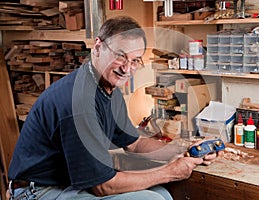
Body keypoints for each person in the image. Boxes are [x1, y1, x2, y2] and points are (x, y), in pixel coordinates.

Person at [7, 16, 220, 200]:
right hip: (39, 192)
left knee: (162, 194)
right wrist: (170, 172)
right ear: (98, 47)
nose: (127, 69)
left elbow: (134, 144)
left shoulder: (109, 90)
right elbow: (103, 187)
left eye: (135, 60)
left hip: (68, 184)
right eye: (120, 55)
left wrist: (184, 149)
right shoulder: (79, 103)